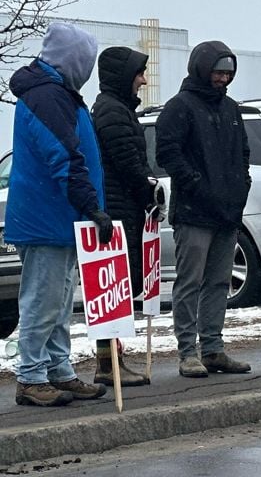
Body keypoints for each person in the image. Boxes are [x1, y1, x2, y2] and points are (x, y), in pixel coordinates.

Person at [8, 23, 109, 407]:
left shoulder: (55, 93)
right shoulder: (49, 97)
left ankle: (58, 370)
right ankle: (31, 376)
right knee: (43, 300)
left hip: (58, 218)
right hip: (46, 218)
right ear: (75, 60)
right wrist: (91, 206)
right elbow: (63, 157)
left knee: (59, 299)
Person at [156, 41, 253, 377]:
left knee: (218, 282)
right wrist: (195, 183)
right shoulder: (179, 107)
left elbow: (243, 153)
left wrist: (242, 186)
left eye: (228, 73)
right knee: (190, 282)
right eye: (217, 71)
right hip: (194, 212)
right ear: (202, 69)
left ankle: (213, 348)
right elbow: (167, 152)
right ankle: (187, 351)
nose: (223, 79)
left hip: (227, 212)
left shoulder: (231, 109)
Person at [91, 46, 161, 387]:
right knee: (114, 291)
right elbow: (128, 162)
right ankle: (108, 364)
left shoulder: (119, 109)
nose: (144, 80)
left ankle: (113, 360)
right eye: (138, 74)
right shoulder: (111, 111)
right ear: (123, 76)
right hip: (118, 210)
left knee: (121, 288)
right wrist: (149, 190)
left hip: (124, 208)